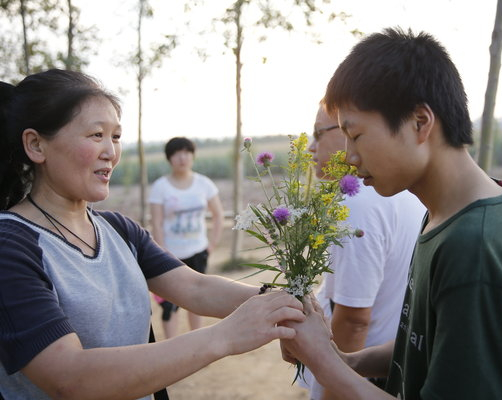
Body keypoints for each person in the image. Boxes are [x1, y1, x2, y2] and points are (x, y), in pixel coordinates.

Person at [281, 27, 502, 400]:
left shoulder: (477, 248)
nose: (349, 155)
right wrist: (347, 361)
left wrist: (325, 365)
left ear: (420, 122)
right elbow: (428, 344)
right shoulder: (445, 217)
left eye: (357, 135)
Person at [0, 69, 304, 400]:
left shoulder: (118, 229)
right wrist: (224, 337)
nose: (110, 152)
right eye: (95, 135)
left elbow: (195, 286)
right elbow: (69, 377)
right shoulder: (10, 246)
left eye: (115, 137)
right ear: (36, 145)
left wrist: (285, 301)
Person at [299, 103, 425, 400]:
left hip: (362, 377)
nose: (309, 148)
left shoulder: (357, 206)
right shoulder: (397, 189)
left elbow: (354, 319)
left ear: (350, 132)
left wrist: (331, 391)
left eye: (318, 134)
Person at [149, 136, 224, 338]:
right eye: (176, 153)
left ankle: (197, 343)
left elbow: (218, 215)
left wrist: (212, 244)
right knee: (169, 304)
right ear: (169, 158)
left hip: (198, 251)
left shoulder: (204, 184)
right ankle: (171, 347)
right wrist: (162, 251)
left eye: (186, 152)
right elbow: (156, 222)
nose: (182, 158)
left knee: (197, 300)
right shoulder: (160, 187)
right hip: (170, 255)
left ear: (192, 156)